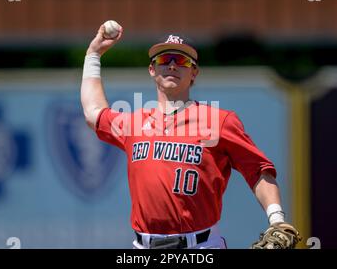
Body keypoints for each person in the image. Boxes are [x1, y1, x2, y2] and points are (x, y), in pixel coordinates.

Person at [80, 22, 300, 249]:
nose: (172, 66)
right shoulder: (134, 122)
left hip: (200, 246)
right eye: (164, 60)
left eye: (182, 61)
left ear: (194, 73)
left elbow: (258, 170)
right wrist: (93, 55)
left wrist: (276, 219)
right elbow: (93, 112)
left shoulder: (219, 121)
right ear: (152, 70)